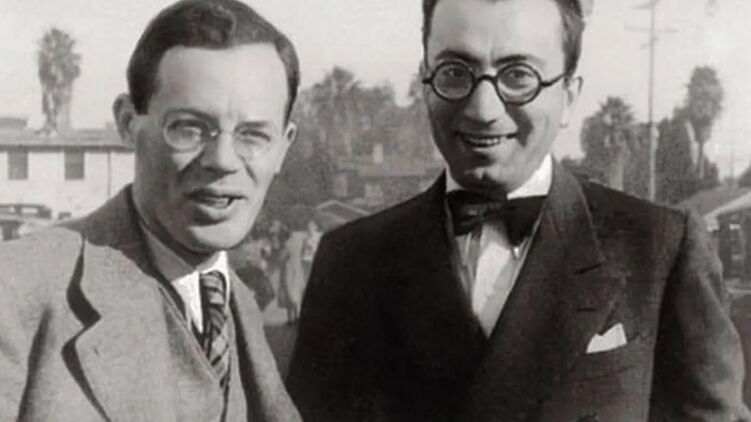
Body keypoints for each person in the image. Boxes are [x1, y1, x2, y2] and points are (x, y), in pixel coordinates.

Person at [287, 0, 750, 420]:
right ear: (426, 82)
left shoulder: (658, 249)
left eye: (518, 75)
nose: (483, 109)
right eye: (454, 72)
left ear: (569, 95)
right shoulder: (350, 262)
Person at [0, 0, 302, 420]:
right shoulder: (16, 292)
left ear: (284, 146)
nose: (222, 160)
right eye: (190, 127)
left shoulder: (242, 306)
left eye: (253, 135)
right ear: (128, 123)